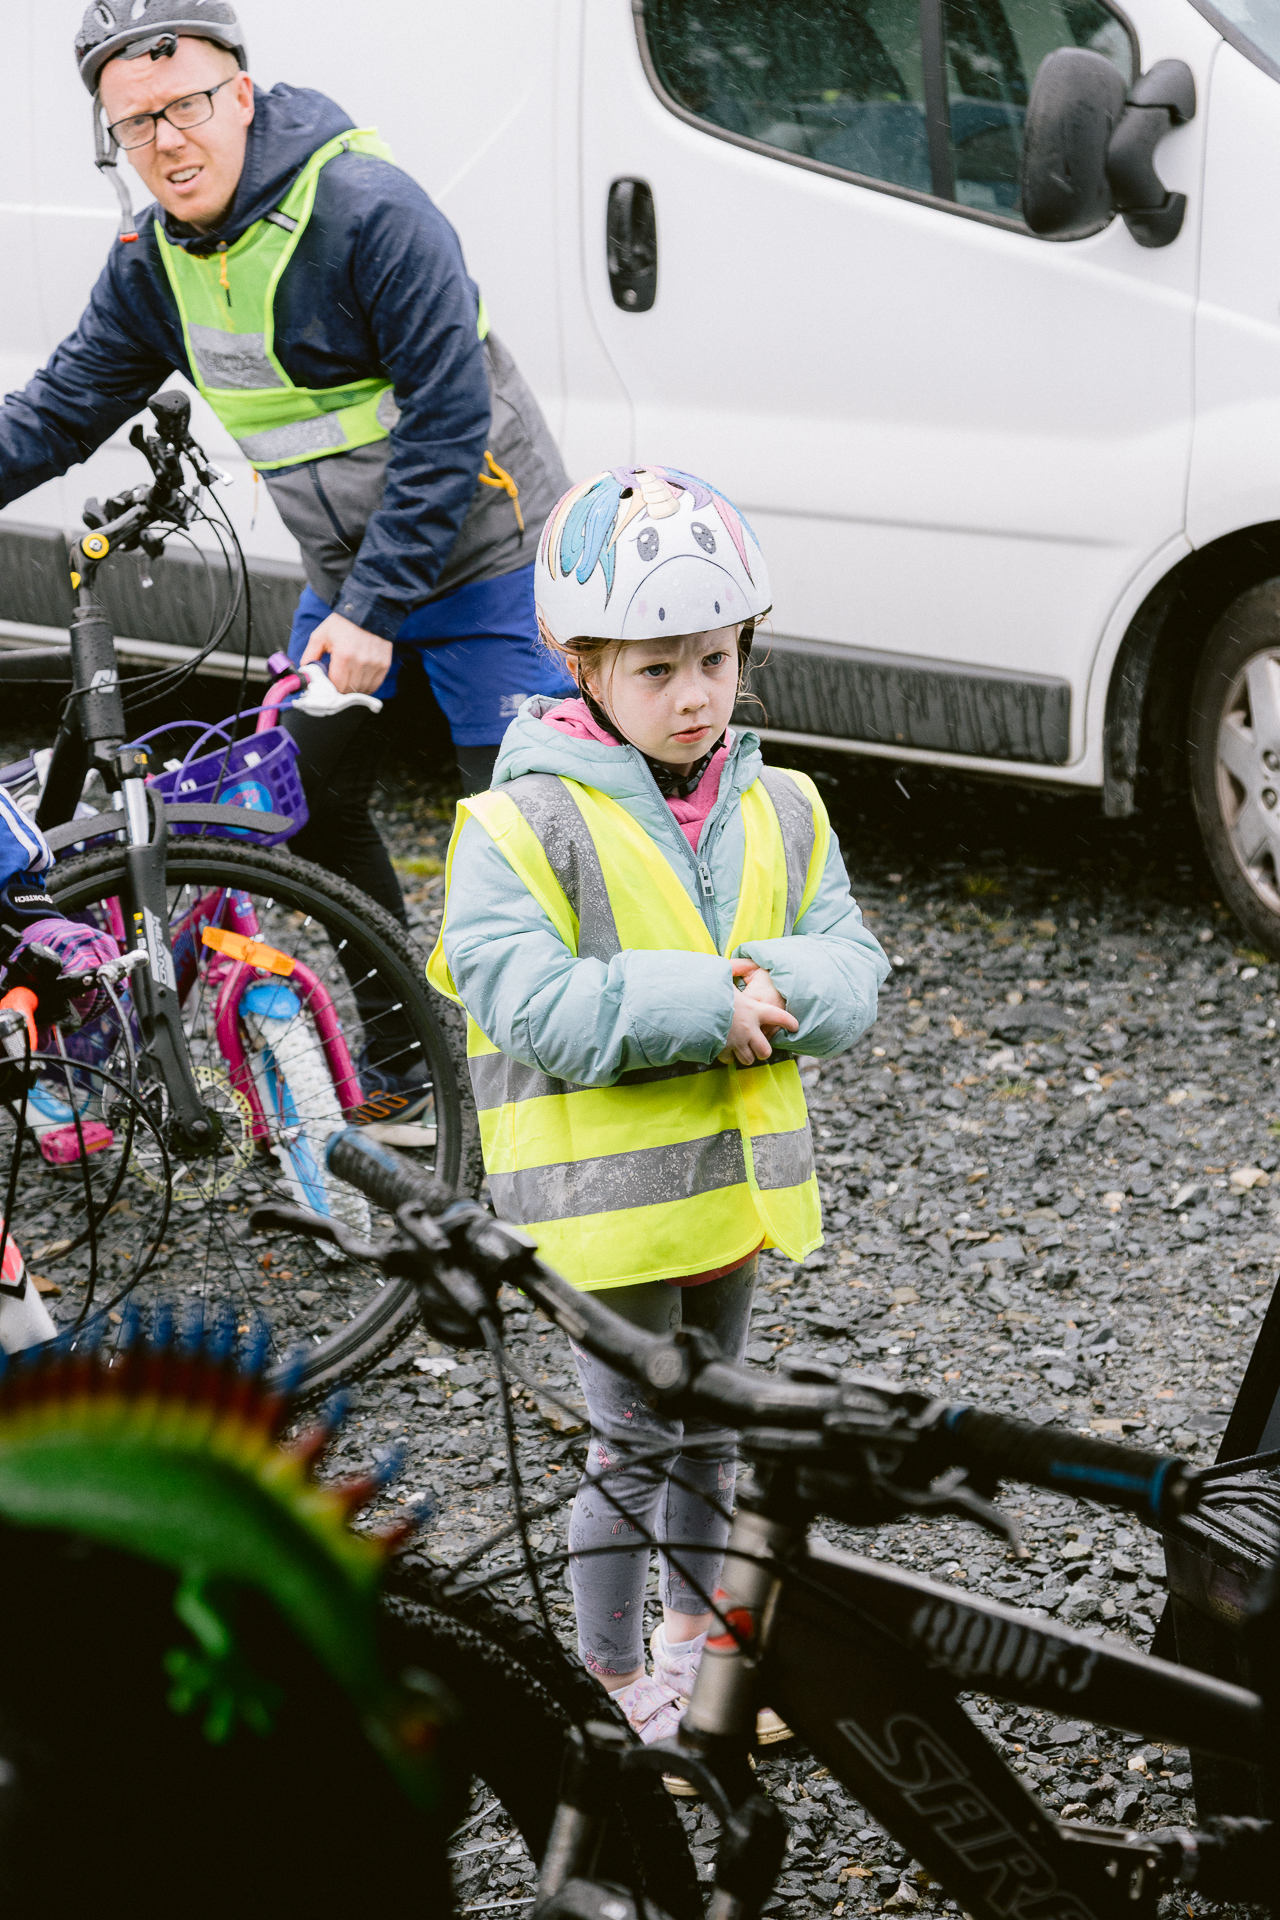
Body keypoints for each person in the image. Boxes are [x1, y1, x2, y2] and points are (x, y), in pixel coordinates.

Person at [0, 3, 573, 1119]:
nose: (166, 142)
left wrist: (374, 608)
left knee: (526, 832)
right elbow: (59, 411)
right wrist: (359, 601)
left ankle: (553, 1096)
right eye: (134, 124)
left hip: (491, 561)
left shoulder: (367, 211)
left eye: (186, 106)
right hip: (351, 577)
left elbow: (449, 419)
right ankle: (409, 1059)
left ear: (243, 93)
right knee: (303, 800)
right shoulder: (155, 262)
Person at [428, 465, 889, 1750]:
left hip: (728, 1201)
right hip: (605, 1218)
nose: (694, 695)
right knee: (631, 1448)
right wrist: (710, 1002)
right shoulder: (515, 825)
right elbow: (531, 1002)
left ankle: (692, 1657)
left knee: (710, 1434)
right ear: (577, 663)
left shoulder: (781, 803)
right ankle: (609, 1681)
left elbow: (851, 960)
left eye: (715, 660)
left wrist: (780, 986)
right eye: (655, 669)